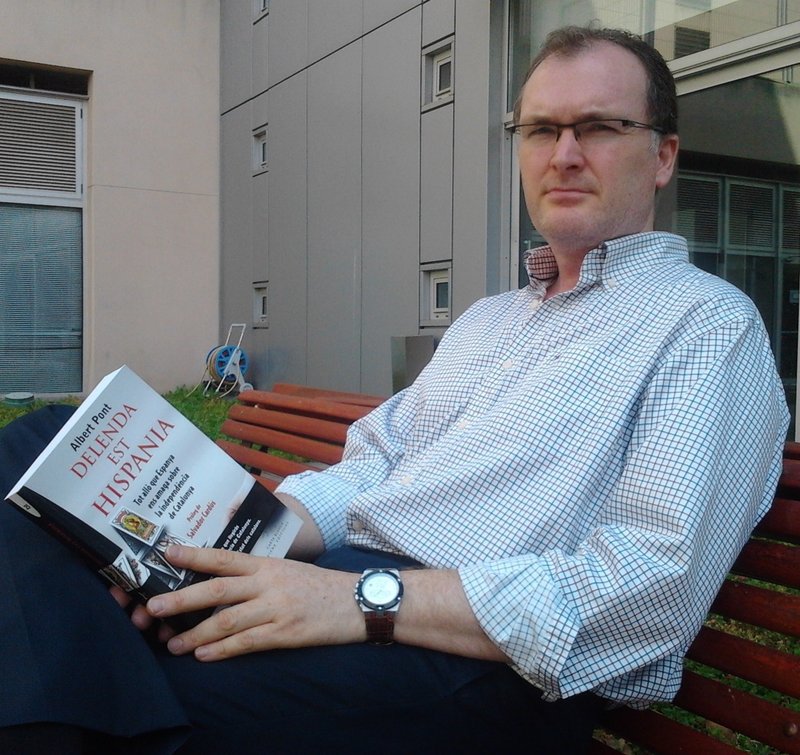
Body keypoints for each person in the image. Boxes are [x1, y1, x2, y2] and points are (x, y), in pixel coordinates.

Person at [0, 25, 789, 755]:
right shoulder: (489, 319)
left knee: (117, 667)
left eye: (600, 127)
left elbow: (649, 590)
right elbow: (374, 465)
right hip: (348, 584)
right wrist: (226, 537)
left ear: (663, 155)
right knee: (41, 441)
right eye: (542, 129)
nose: (565, 154)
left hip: (486, 659)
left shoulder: (705, 325)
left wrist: (357, 599)